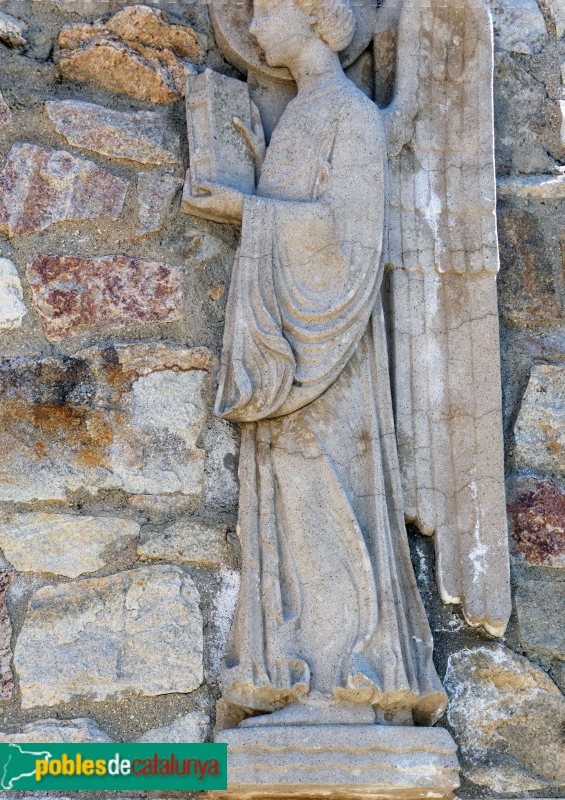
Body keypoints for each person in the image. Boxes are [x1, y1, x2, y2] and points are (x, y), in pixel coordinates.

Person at [182, 0, 447, 728]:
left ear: (315, 18)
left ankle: (351, 672)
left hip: (329, 353)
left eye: (268, 12)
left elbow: (347, 236)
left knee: (324, 492)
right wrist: (248, 172)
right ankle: (297, 672)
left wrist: (247, 209)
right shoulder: (302, 112)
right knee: (289, 498)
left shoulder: (351, 115)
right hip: (288, 349)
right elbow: (302, 209)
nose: (255, 28)